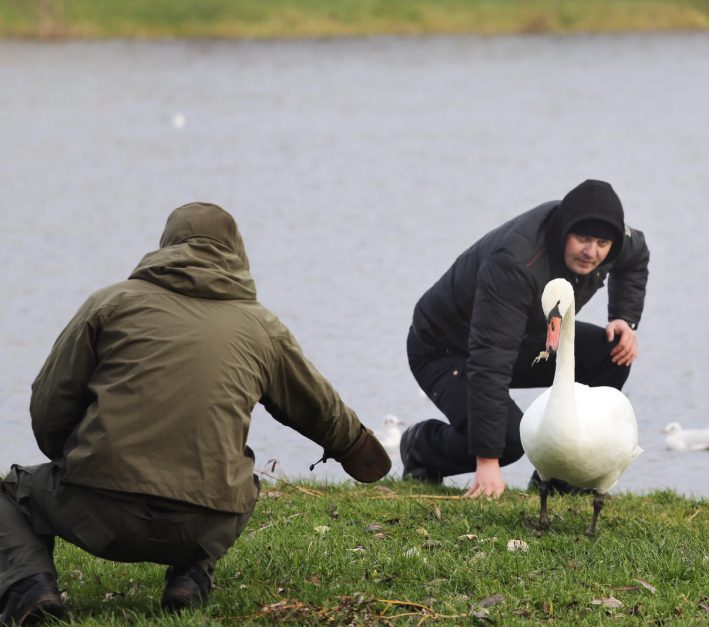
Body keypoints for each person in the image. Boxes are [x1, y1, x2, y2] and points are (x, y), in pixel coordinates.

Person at [0, 202, 390, 625]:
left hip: (97, 516)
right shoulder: (262, 327)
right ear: (237, 253)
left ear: (166, 246)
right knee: (242, 478)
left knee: (10, 493)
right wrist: (359, 451)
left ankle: (31, 590)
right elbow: (320, 408)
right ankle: (191, 576)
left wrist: (72, 457)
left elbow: (49, 403)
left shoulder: (109, 304)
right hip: (202, 525)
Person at [401, 179, 649, 499]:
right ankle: (423, 448)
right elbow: (490, 358)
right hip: (445, 349)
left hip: (525, 336)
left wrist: (623, 317)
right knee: (507, 441)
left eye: (602, 243)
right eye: (583, 239)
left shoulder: (612, 245)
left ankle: (558, 481)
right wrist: (488, 462)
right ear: (563, 231)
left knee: (611, 351)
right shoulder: (516, 264)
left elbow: (636, 256)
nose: (592, 252)